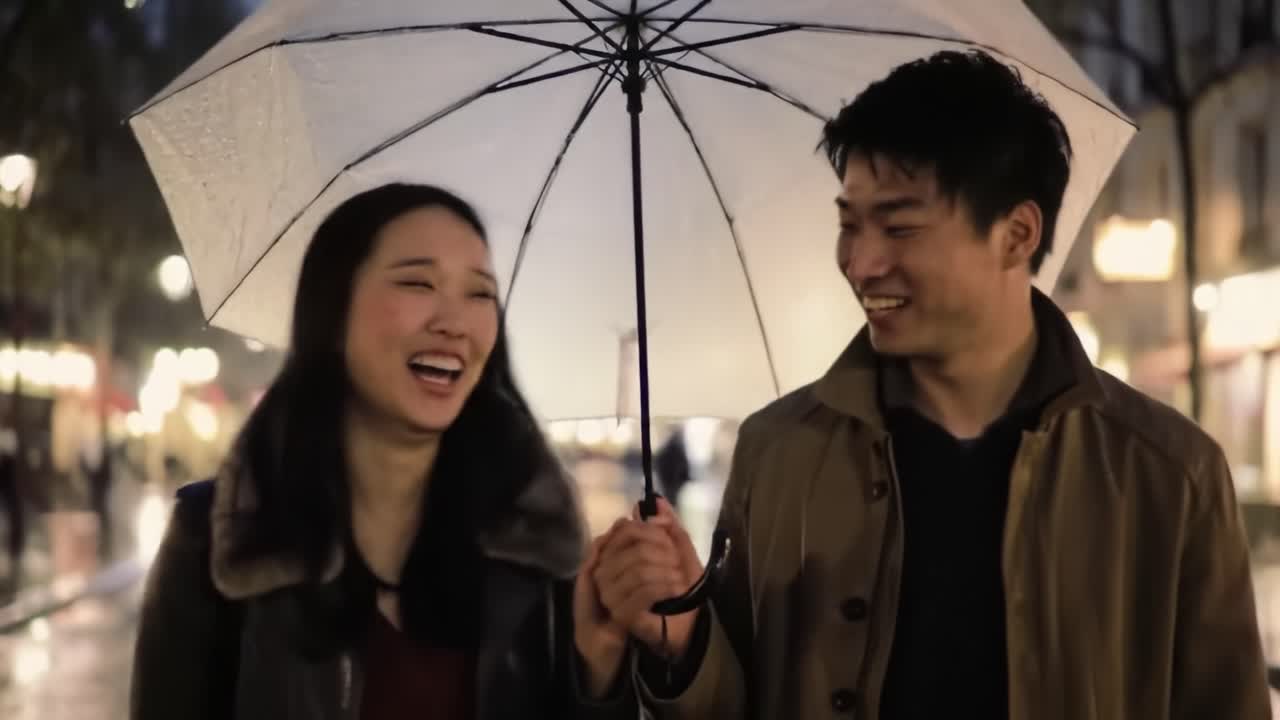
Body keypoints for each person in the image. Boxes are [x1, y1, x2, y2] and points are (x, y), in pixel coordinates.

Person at [590, 50, 1272, 719]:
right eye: (847, 223)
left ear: (1017, 234)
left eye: (900, 226)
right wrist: (682, 639)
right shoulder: (778, 453)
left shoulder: (1166, 473)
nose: (858, 261)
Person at [130, 184, 638, 720]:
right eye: (418, 282)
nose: (455, 322)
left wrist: (599, 667)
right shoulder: (222, 541)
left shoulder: (536, 555)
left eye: (480, 293)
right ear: (332, 312)